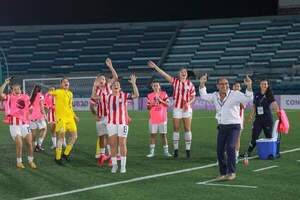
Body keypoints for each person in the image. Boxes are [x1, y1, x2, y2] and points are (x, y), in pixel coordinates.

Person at [199, 74, 253, 180]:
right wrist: (202, 83)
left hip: (234, 125)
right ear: (217, 86)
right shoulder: (215, 95)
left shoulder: (235, 94)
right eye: (222, 84)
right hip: (222, 126)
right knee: (219, 150)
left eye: (226, 83)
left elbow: (248, 99)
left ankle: (232, 172)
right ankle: (223, 173)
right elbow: (204, 96)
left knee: (230, 147)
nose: (225, 85)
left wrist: (249, 86)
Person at [148, 61, 196, 158]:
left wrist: (188, 103)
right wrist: (155, 67)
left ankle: (188, 150)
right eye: (182, 71)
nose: (183, 73)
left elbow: (193, 97)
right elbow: (164, 74)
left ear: (186, 74)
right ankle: (176, 151)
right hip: (177, 109)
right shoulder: (175, 81)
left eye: (185, 72)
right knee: (176, 128)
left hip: (187, 109)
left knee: (187, 129)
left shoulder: (190, 84)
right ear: (179, 74)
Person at [0, 78, 37, 169]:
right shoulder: (9, 97)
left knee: (29, 143)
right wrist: (5, 83)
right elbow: (0, 94)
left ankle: (30, 160)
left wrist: (31, 112)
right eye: (15, 89)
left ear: (21, 89)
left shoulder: (25, 97)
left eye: (18, 89)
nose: (17, 90)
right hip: (14, 125)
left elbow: (30, 108)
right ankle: (19, 162)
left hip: (25, 124)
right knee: (19, 144)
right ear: (12, 90)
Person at [106, 74, 139, 173]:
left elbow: (136, 95)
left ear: (120, 88)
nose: (116, 85)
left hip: (122, 123)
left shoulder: (124, 95)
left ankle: (123, 166)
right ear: (111, 87)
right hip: (111, 123)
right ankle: (115, 165)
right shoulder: (108, 96)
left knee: (122, 144)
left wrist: (133, 83)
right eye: (114, 84)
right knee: (112, 144)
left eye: (118, 84)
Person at [90, 58, 118, 166]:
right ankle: (102, 155)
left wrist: (110, 66)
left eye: (103, 79)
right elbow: (93, 99)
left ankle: (111, 156)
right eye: (99, 79)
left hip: (109, 117)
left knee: (110, 136)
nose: (101, 80)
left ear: (105, 81)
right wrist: (95, 115)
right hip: (100, 117)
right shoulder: (96, 90)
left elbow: (115, 77)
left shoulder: (108, 86)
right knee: (101, 137)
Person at [244, 79, 280, 157]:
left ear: (267, 86)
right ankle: (248, 152)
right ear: (260, 85)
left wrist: (280, 116)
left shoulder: (269, 95)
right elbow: (254, 107)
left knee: (269, 137)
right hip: (258, 119)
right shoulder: (257, 94)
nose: (264, 85)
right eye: (262, 84)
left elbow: (275, 106)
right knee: (254, 137)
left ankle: (274, 152)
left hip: (267, 119)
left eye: (265, 84)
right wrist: (251, 115)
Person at [49, 78, 79, 165]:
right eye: (64, 82)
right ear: (61, 84)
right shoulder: (57, 92)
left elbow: (70, 107)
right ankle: (58, 157)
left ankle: (66, 154)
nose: (66, 83)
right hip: (61, 118)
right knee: (61, 137)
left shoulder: (70, 93)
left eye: (67, 82)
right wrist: (50, 91)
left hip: (70, 118)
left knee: (74, 136)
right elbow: (49, 94)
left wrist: (74, 116)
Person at [146, 81, 172, 158]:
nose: (156, 87)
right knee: (152, 135)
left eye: (157, 85)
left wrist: (161, 101)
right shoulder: (149, 95)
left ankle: (166, 152)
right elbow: (148, 107)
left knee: (163, 135)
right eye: (154, 85)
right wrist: (153, 103)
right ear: (152, 87)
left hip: (162, 118)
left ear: (160, 87)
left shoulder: (164, 94)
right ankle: (151, 152)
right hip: (153, 118)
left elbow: (168, 104)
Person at [29, 85, 47, 152]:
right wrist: (45, 115)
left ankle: (35, 146)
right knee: (44, 129)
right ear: (40, 90)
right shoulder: (41, 96)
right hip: (39, 116)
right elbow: (42, 107)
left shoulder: (31, 96)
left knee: (33, 133)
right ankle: (39, 145)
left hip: (31, 117)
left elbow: (29, 106)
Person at [232, 82, 245, 163]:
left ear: (240, 88)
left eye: (238, 86)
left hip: (239, 120)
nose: (237, 87)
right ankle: (230, 154)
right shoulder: (229, 94)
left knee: (237, 138)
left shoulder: (242, 96)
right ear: (233, 87)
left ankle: (236, 155)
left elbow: (243, 106)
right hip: (229, 120)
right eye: (235, 86)